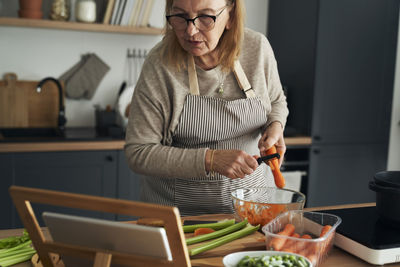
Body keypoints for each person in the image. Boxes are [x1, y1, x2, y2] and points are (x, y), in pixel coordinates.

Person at [124, 0, 288, 216]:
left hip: (253, 210)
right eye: (181, 17)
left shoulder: (257, 48)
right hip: (181, 216)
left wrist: (275, 126)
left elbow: (277, 100)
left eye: (205, 17)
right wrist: (210, 160)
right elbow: (139, 152)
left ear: (230, 16)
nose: (191, 31)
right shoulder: (159, 64)